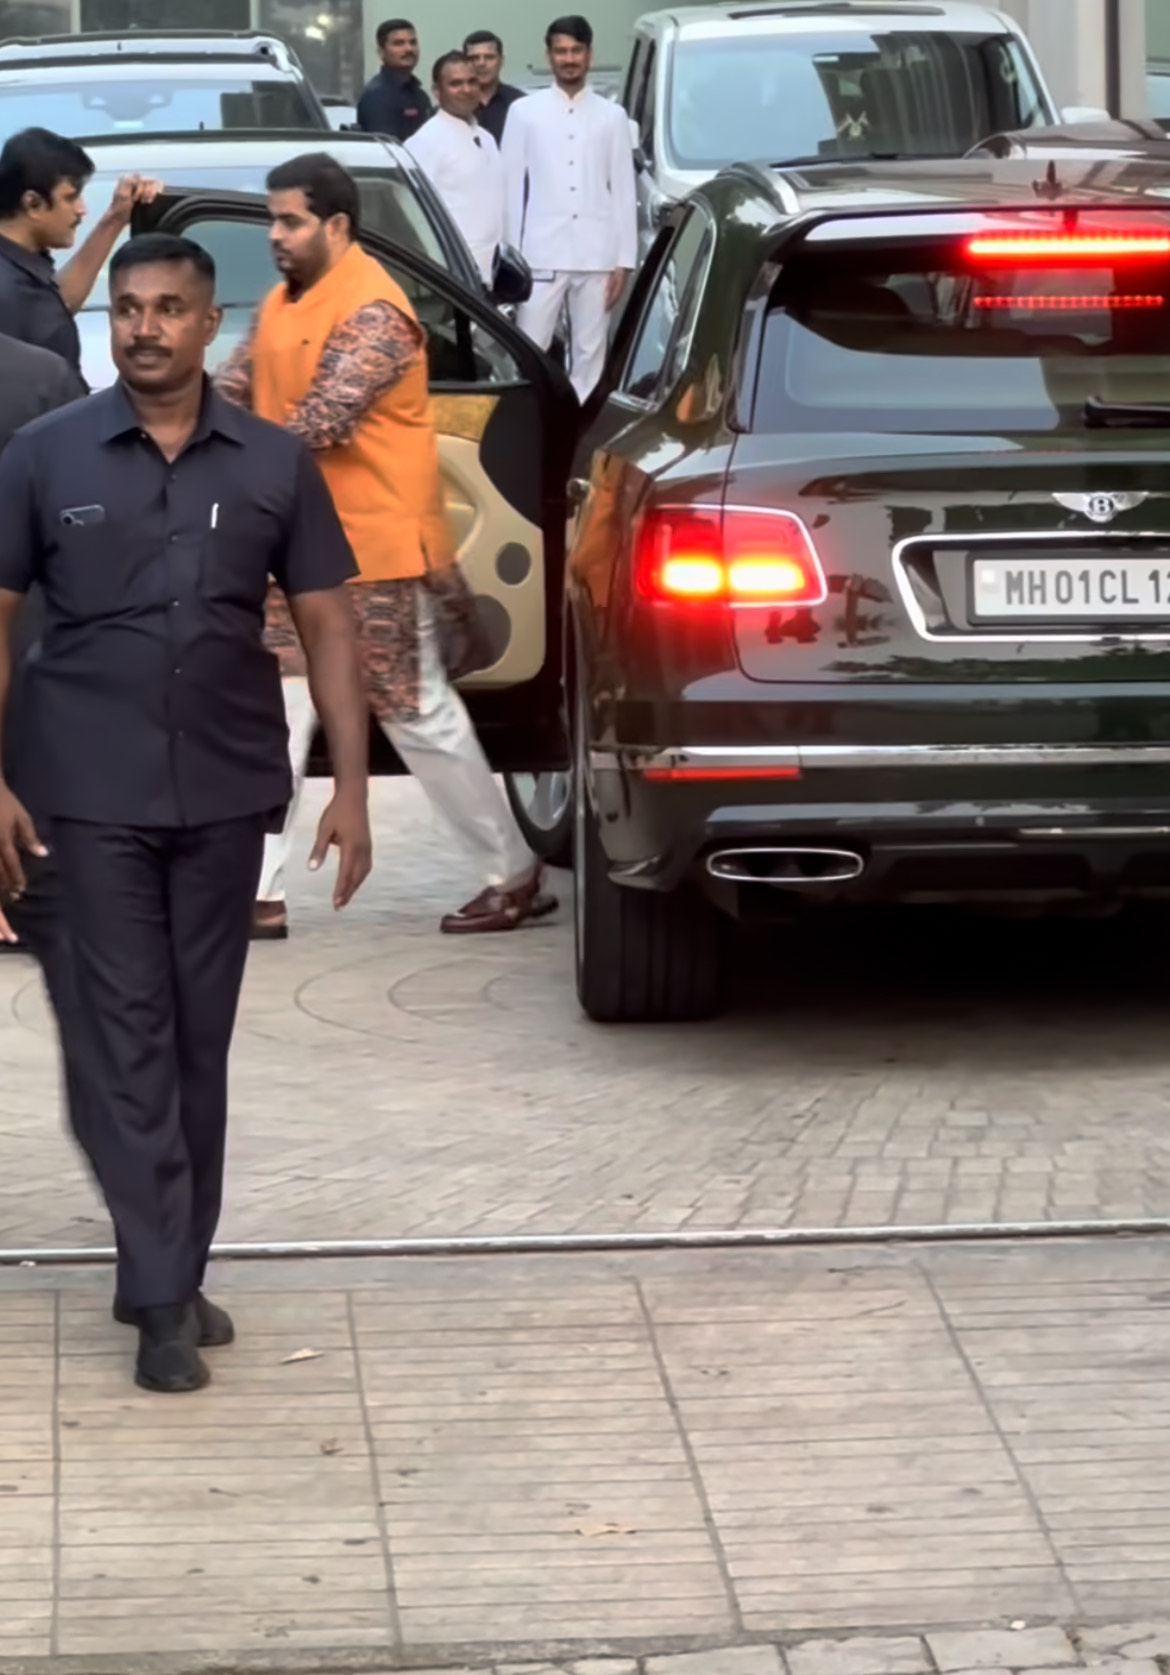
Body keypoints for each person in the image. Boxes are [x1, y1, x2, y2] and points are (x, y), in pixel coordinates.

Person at [0, 233, 373, 1396]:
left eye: (169, 309)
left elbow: (327, 618)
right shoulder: (44, 455)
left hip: (222, 788)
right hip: (79, 790)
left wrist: (352, 785)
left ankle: (167, 1262)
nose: (145, 328)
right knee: (127, 1037)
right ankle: (162, 1297)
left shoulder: (272, 461)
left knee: (194, 1041)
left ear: (211, 325)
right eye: (128, 309)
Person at [213, 153, 554, 941]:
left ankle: (513, 873)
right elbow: (231, 387)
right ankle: (256, 893)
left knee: (417, 715)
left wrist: (219, 456)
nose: (275, 235)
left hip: (372, 554)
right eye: (271, 220)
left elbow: (323, 419)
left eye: (290, 221)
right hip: (293, 552)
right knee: (278, 714)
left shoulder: (376, 312)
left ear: (336, 224)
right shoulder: (281, 303)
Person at [501, 15, 637, 400]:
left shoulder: (612, 116)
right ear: (549, 56)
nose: (569, 59)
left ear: (590, 54)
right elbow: (510, 187)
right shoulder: (524, 112)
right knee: (529, 346)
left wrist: (624, 261)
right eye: (561, 51)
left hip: (597, 252)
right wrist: (511, 256)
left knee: (590, 352)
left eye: (576, 50)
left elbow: (623, 189)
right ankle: (530, 419)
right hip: (540, 252)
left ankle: (580, 425)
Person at [0, 126, 160, 380]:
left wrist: (116, 218)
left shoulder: (22, 267)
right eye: (71, 198)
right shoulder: (7, 291)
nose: (81, 210)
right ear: (32, 203)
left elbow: (56, 307)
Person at [406, 51, 505, 285]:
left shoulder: (486, 138)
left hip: (495, 267)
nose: (466, 90)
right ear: (437, 91)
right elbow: (415, 213)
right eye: (456, 84)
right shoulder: (425, 141)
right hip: (453, 269)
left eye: (472, 82)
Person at [357, 18, 433, 141]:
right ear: (381, 52)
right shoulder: (377, 95)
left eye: (413, 42)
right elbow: (386, 146)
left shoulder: (420, 94)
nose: (408, 49)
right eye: (399, 43)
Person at [463, 29, 525, 146]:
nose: (481, 63)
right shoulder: (455, 106)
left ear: (501, 61)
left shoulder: (519, 103)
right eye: (474, 58)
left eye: (489, 57)